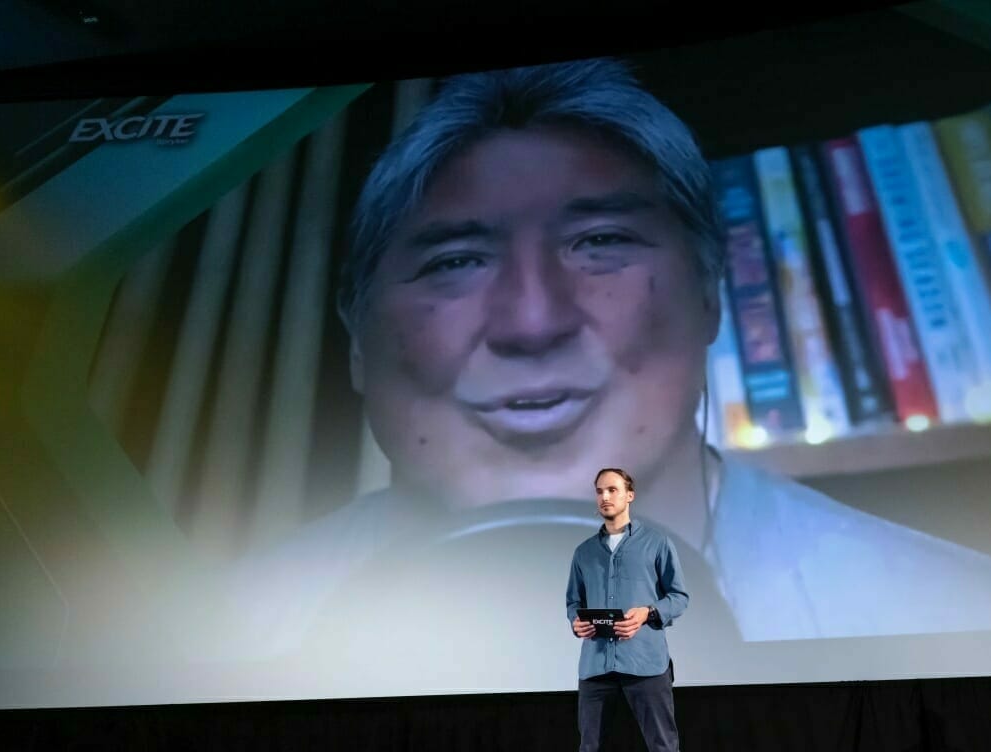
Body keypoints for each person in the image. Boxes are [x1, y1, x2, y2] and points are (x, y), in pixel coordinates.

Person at [231, 56, 991, 689]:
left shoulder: (961, 616)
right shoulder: (221, 634)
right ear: (357, 337)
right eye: (456, 261)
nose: (533, 321)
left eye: (601, 242)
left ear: (709, 297)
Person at [540, 468, 699, 752]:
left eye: (613, 490)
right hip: (596, 667)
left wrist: (648, 613)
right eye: (599, 491)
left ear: (629, 494)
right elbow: (573, 601)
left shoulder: (656, 543)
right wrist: (576, 622)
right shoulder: (583, 553)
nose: (605, 497)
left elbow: (679, 597)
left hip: (646, 664)